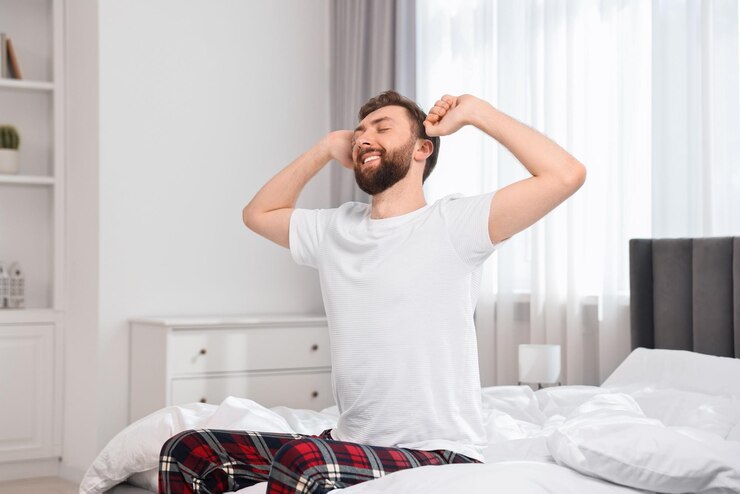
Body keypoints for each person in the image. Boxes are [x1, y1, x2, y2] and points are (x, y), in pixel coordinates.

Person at [158, 91, 586, 494]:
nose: (363, 137)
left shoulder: (455, 224)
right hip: (351, 442)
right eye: (359, 132)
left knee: (303, 461)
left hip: (436, 451)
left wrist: (476, 112)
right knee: (190, 450)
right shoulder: (335, 228)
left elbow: (566, 174)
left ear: (422, 148)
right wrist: (325, 148)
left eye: (382, 128)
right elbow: (258, 213)